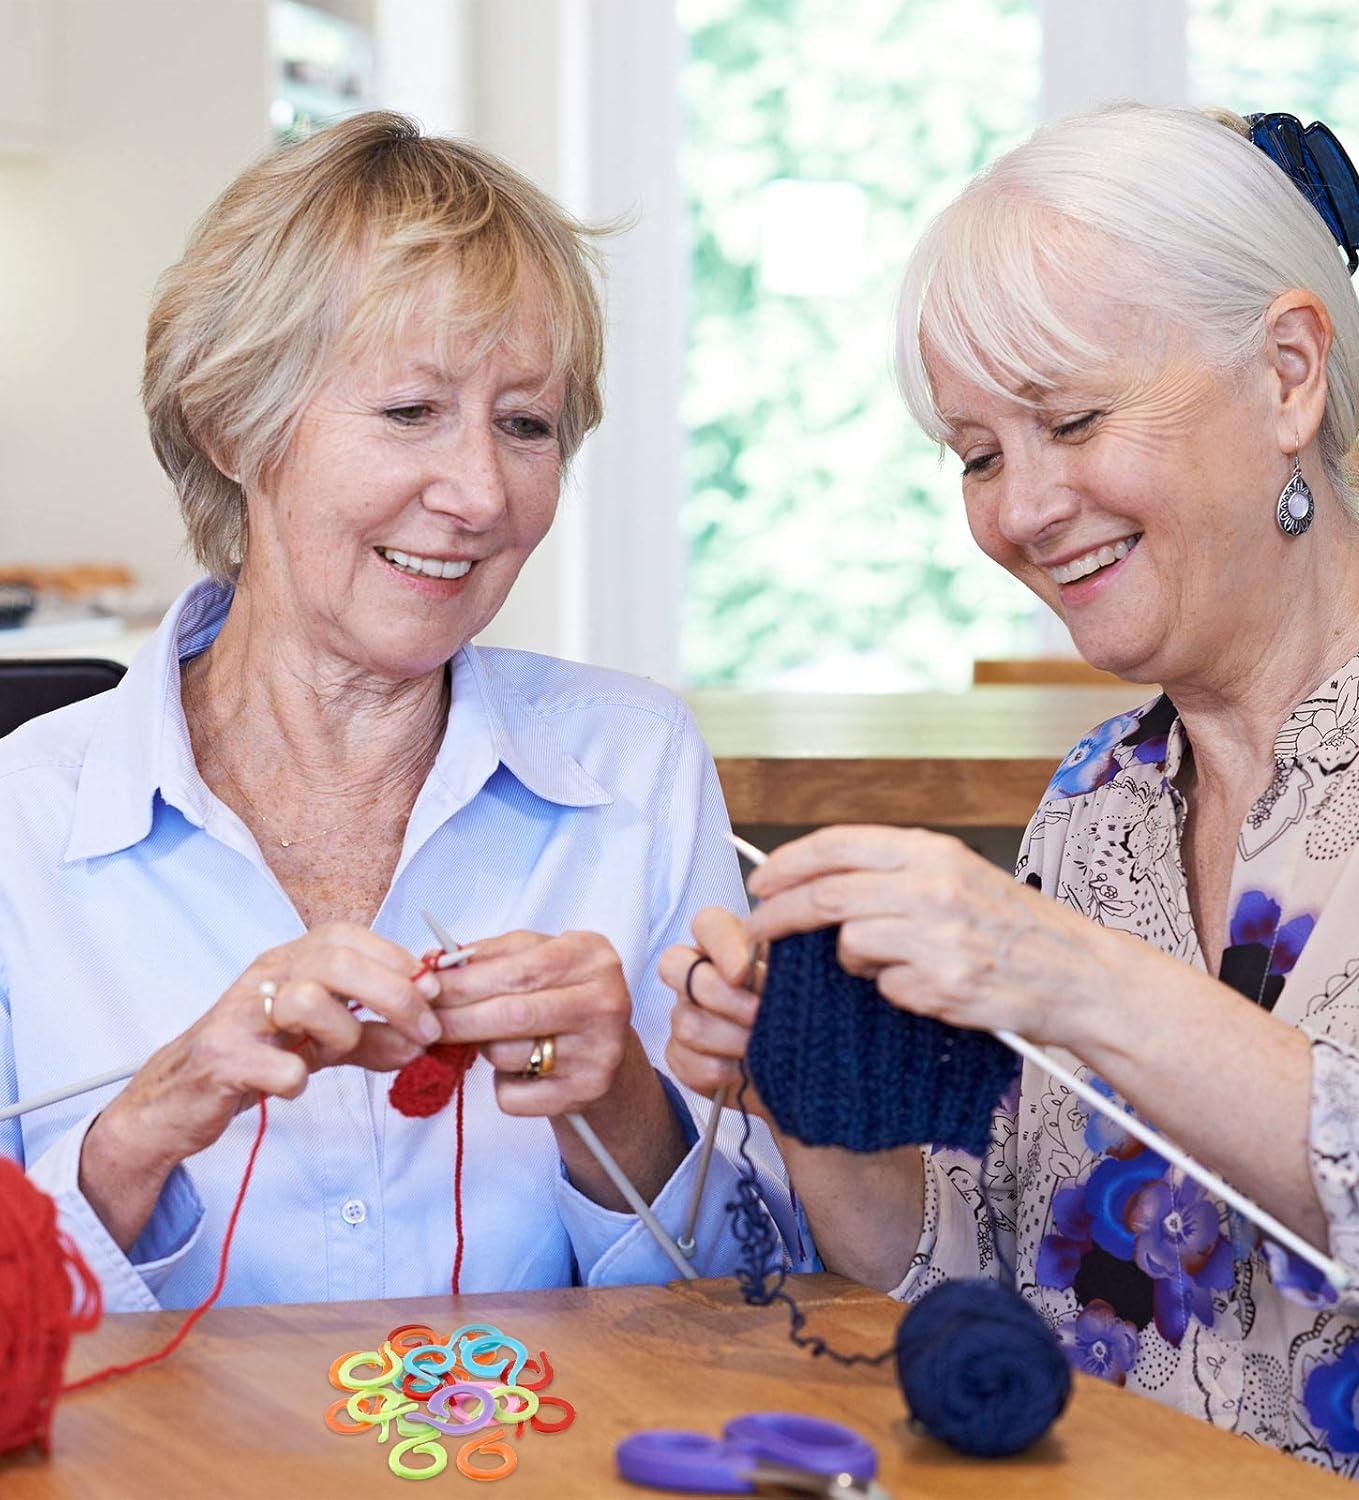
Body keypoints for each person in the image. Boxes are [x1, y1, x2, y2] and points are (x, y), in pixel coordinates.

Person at [663, 103, 1359, 1489]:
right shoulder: (1101, 796)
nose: (1022, 510)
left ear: (1288, 375)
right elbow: (979, 1296)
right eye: (981, 456)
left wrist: (1068, 975)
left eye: (1071, 420)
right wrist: (815, 1099)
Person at [0, 112, 803, 1311]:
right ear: (232, 425)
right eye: (410, 411)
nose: (479, 493)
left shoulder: (636, 767)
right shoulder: (22, 820)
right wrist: (148, 1127)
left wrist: (623, 1108)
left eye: (525, 426)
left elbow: (761, 1304)